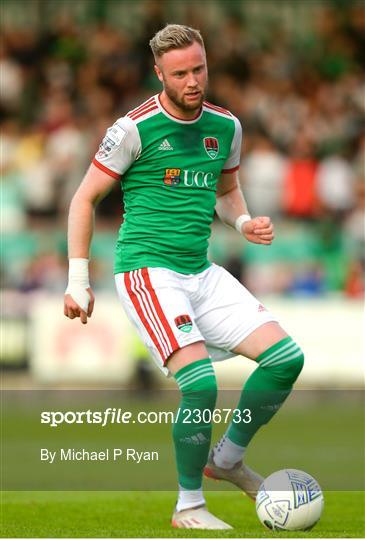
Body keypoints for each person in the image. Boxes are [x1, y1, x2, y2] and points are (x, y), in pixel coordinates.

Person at [64, 24, 304, 530]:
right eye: (180, 73)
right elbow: (84, 199)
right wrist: (77, 279)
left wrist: (243, 221)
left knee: (286, 359)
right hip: (148, 271)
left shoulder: (227, 127)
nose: (193, 80)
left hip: (201, 269)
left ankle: (228, 459)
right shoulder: (133, 129)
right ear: (159, 74)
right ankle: (189, 505)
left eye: (199, 69)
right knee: (201, 386)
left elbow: (225, 191)